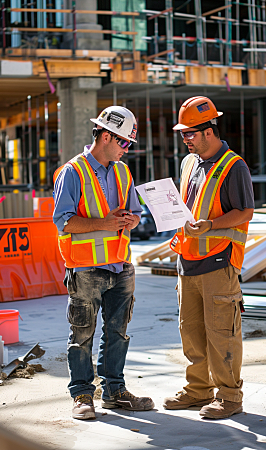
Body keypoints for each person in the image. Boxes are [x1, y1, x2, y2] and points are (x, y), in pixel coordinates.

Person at [53, 106, 154, 420]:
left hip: (120, 266)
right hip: (85, 268)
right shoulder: (73, 171)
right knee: (82, 335)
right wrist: (104, 224)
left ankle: (114, 391)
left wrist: (130, 220)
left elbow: (134, 214)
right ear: (106, 136)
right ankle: (83, 395)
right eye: (124, 143)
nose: (126, 149)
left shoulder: (123, 171)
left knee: (118, 333)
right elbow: (63, 222)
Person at [163, 96, 254, 419]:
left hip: (218, 263)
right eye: (183, 134)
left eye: (190, 133)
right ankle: (198, 390)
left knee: (222, 334)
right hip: (187, 262)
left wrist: (211, 225)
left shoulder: (234, 166)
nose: (185, 139)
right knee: (192, 332)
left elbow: (245, 211)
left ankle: (229, 397)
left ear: (209, 131)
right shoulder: (190, 162)